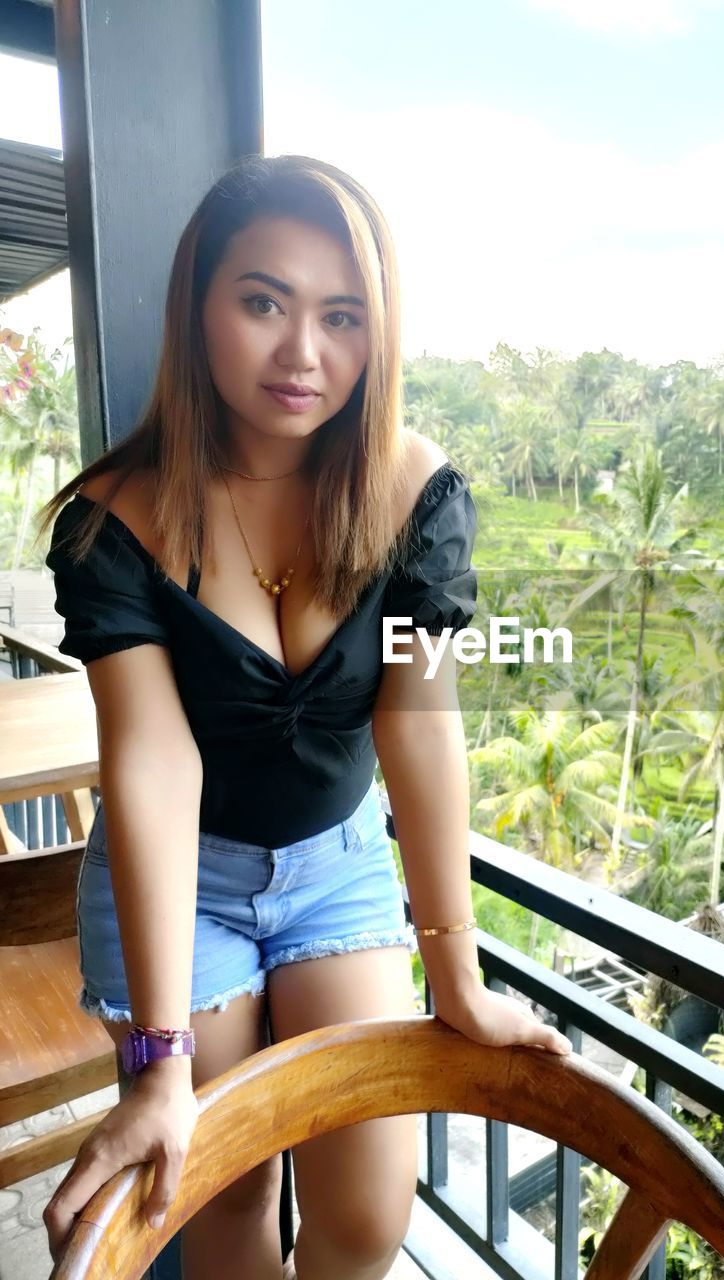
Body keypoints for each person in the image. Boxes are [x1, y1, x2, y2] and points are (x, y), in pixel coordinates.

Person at [40, 154, 571, 1280]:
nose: (303, 353)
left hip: (338, 868)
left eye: (342, 316)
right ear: (201, 306)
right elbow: (151, 762)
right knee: (223, 1208)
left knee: (371, 1212)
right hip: (187, 877)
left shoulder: (413, 497)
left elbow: (417, 725)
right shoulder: (113, 521)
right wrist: (160, 1060)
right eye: (264, 302)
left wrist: (458, 974)